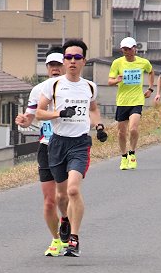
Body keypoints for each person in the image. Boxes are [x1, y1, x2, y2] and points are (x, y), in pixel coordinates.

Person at [36, 39, 108, 257]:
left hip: (80, 144)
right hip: (58, 143)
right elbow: (39, 112)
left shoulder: (89, 87)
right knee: (61, 196)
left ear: (84, 61)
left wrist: (99, 125)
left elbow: (93, 109)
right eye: (68, 57)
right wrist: (59, 113)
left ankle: (74, 239)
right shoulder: (53, 85)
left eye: (77, 57)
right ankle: (65, 219)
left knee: (73, 189)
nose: (72, 61)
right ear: (64, 61)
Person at [15, 47, 71, 257]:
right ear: (47, 68)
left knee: (65, 195)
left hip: (67, 145)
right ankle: (56, 239)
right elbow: (29, 117)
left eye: (59, 65)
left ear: (65, 66)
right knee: (49, 200)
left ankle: (68, 225)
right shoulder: (37, 90)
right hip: (46, 146)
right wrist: (23, 120)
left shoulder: (73, 88)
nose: (55, 69)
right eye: (51, 66)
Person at [108, 37, 153, 170]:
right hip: (122, 101)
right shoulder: (117, 63)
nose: (126, 51)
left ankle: (132, 153)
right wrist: (117, 80)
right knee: (121, 133)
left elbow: (151, 71)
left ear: (134, 48)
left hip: (137, 100)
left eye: (129, 49)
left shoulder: (143, 62)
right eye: (124, 49)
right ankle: (123, 157)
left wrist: (150, 88)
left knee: (133, 129)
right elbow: (109, 81)